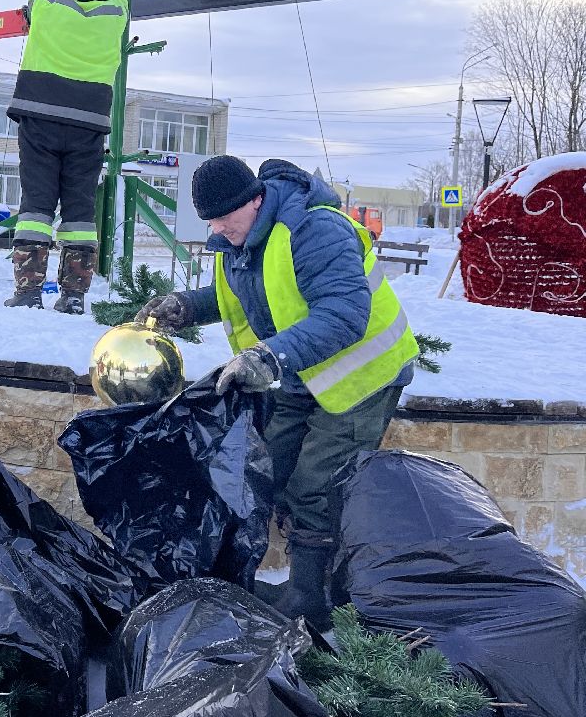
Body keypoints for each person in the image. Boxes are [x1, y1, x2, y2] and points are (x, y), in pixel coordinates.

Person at [138, 156, 419, 628]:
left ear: (255, 199)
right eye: (210, 220)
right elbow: (250, 293)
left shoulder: (314, 230)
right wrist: (187, 306)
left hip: (362, 376)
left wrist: (268, 357)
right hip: (302, 372)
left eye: (225, 218)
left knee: (317, 485)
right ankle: (305, 583)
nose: (218, 229)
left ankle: (313, 600)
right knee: (271, 466)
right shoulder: (242, 238)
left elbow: (345, 315)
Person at [5, 0, 129, 314]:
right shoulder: (115, 15)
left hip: (39, 117)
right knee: (79, 209)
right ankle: (73, 295)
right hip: (88, 125)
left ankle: (27, 291)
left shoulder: (50, 3)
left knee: (36, 204)